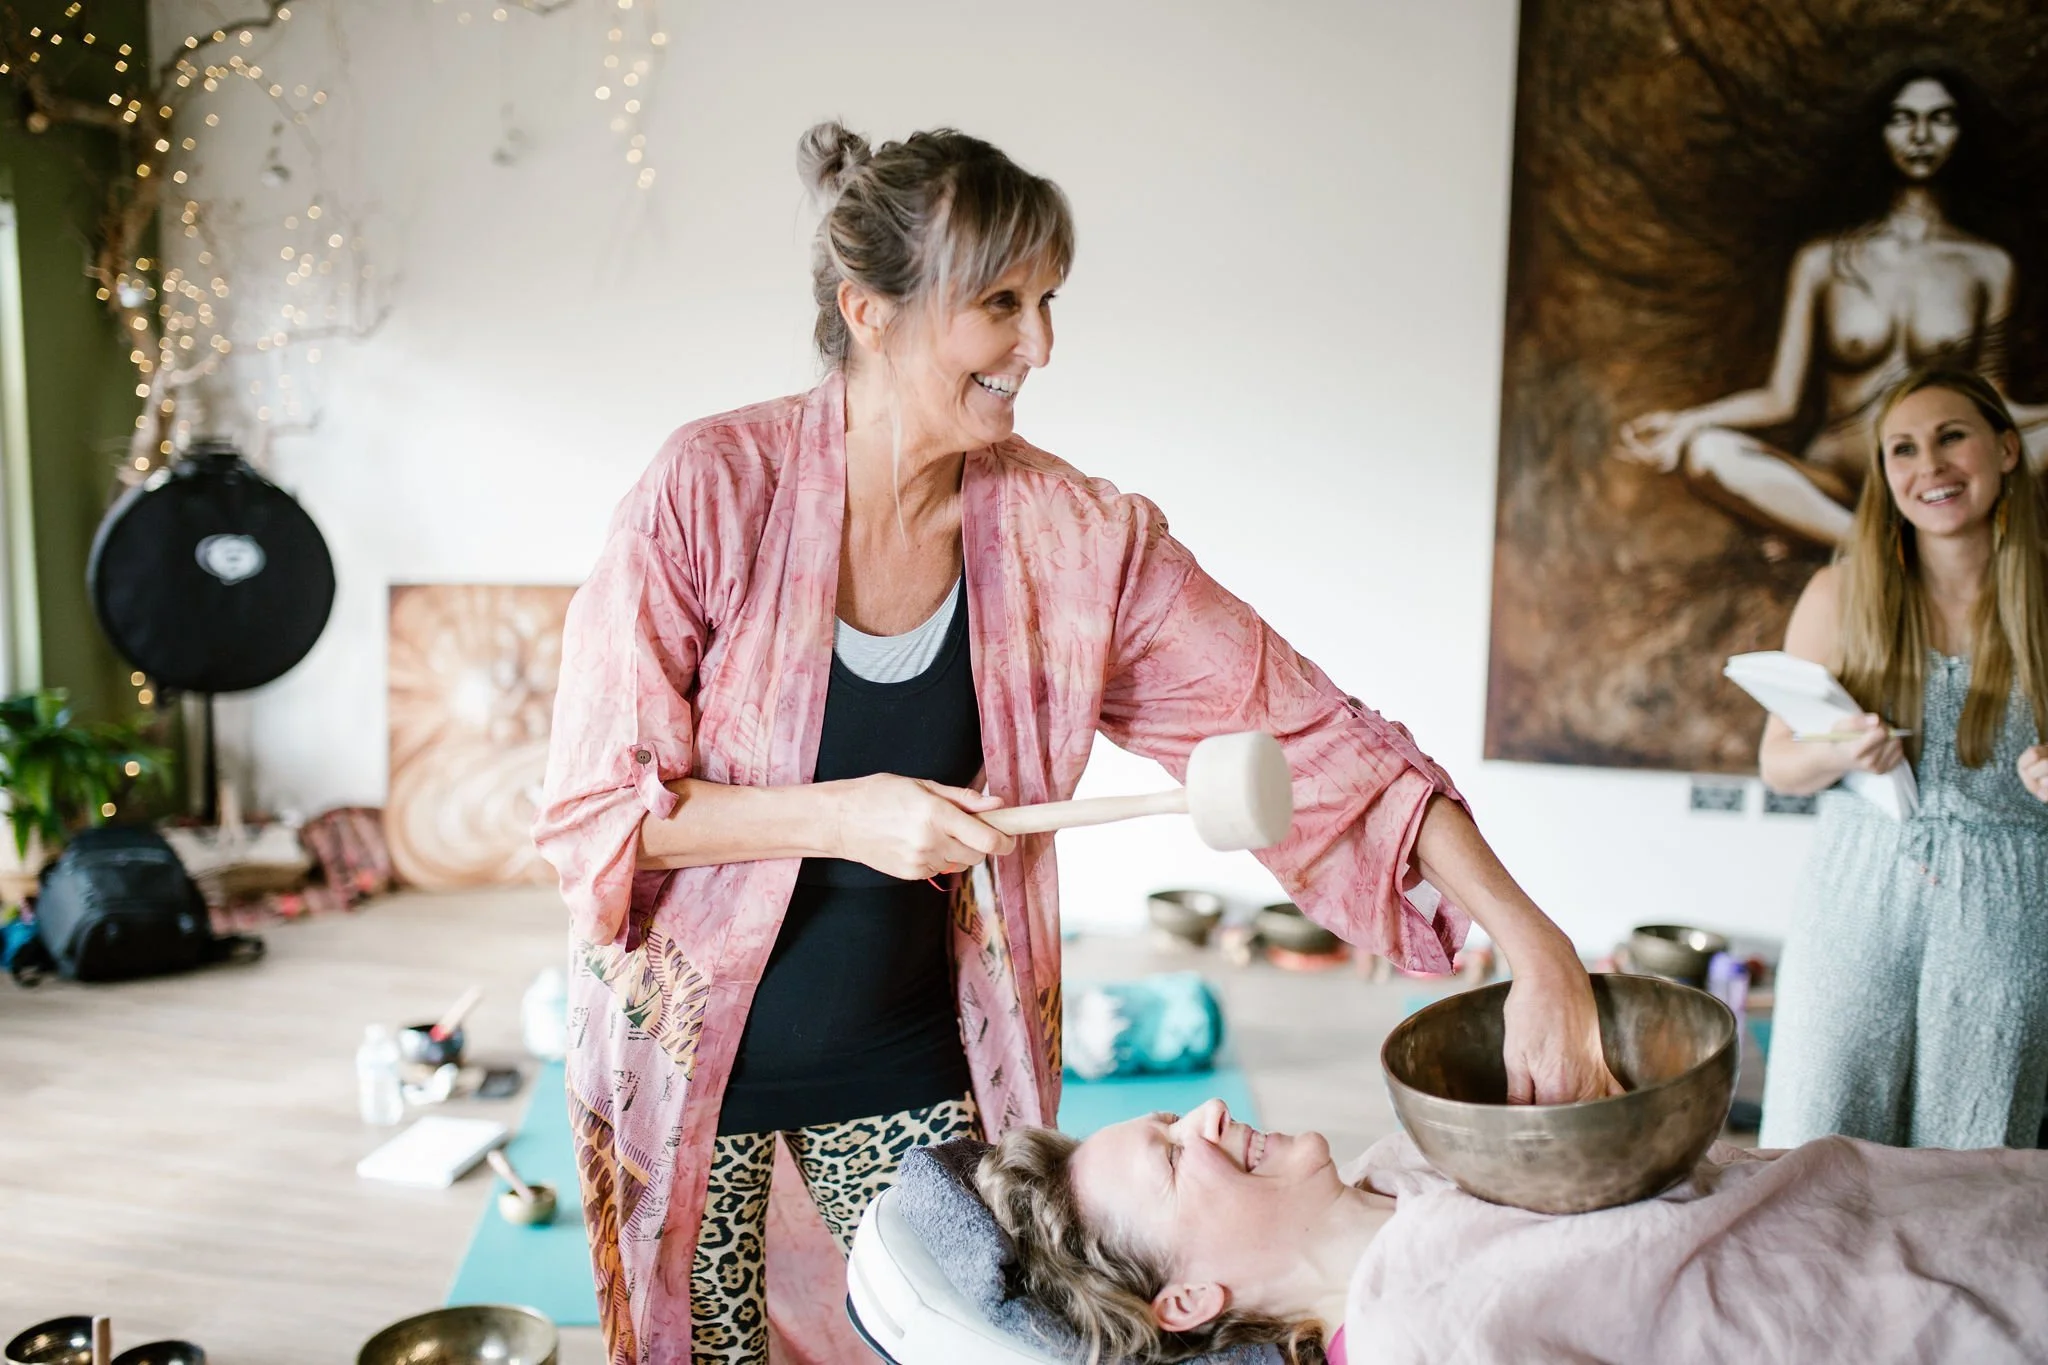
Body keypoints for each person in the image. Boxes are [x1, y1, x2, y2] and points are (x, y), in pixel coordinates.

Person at [534, 122, 1617, 1365]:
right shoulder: (710, 488)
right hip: (678, 1064)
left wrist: (1535, 948)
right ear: (868, 311)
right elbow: (596, 814)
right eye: (999, 304)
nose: (1038, 347)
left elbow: (1313, 738)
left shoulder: (1071, 538)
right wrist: (846, 813)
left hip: (908, 1050)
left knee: (986, 1348)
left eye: (1047, 303)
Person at [972, 1098, 2048, 1365]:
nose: (1206, 1116)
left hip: (1956, 1196)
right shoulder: (1420, 1339)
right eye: (1172, 1157)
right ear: (1187, 1299)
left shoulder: (1414, 1153)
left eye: (1171, 1116)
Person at [1755, 366, 2048, 1149]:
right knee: (1818, 1141)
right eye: (1903, 449)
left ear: (2007, 448)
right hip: (1855, 893)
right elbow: (1778, 762)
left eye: (1953, 436)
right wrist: (1840, 747)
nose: (1931, 466)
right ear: (1886, 474)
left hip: (2013, 906)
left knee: (1975, 1152)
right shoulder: (1839, 594)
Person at [1616, 70, 2048, 549]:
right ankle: (1873, 550)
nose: (1920, 136)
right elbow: (1781, 398)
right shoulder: (1822, 260)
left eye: (1939, 119)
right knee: (1706, 453)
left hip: (1931, 479)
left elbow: (1991, 402)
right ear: (1878, 132)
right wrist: (1686, 421)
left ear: (1962, 133)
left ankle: (1853, 542)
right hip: (1834, 481)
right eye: (1902, 119)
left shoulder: (1988, 265)